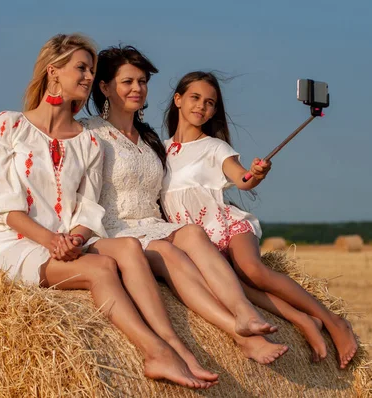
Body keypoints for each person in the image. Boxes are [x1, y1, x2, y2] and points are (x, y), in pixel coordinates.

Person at [0, 34, 214, 389]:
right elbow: (1, 204)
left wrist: (76, 237)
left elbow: (89, 208)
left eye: (91, 70)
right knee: (102, 268)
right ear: (53, 71)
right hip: (17, 245)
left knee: (129, 247)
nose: (88, 77)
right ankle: (154, 353)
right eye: (81, 68)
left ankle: (175, 342)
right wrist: (51, 240)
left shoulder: (87, 141)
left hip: (67, 243)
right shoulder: (9, 126)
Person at [84, 45, 333, 363]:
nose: (138, 88)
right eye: (128, 81)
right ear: (104, 87)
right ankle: (239, 334)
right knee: (189, 256)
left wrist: (253, 175)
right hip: (117, 229)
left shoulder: (150, 140)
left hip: (159, 225)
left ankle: (245, 313)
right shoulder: (92, 134)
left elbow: (237, 177)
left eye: (142, 81)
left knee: (193, 235)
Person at [160, 71, 359, 368]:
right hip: (198, 243)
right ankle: (303, 320)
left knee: (252, 270)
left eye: (210, 103)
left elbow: (241, 178)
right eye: (195, 98)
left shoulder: (215, 147)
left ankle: (333, 321)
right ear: (178, 99)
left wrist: (255, 174)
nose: (202, 106)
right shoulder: (158, 151)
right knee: (241, 290)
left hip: (227, 227)